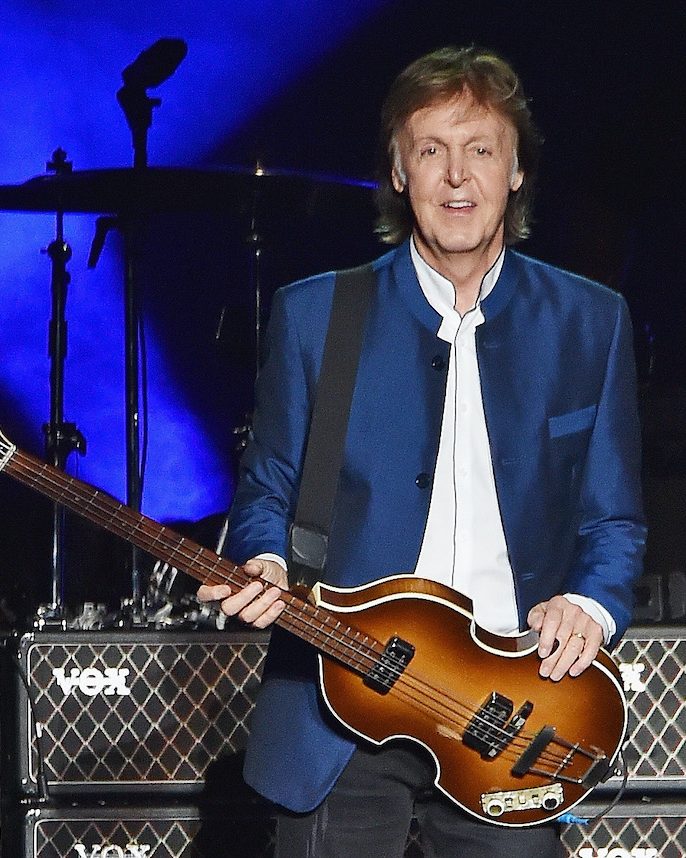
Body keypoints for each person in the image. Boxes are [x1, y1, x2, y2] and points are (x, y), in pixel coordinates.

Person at [197, 45, 646, 858]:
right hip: (338, 713)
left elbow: (613, 522)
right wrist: (262, 558)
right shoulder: (315, 316)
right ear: (398, 172)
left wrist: (590, 604)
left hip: (507, 714)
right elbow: (267, 490)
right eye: (430, 150)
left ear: (515, 172)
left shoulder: (589, 321)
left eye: (480, 150)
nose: (456, 177)